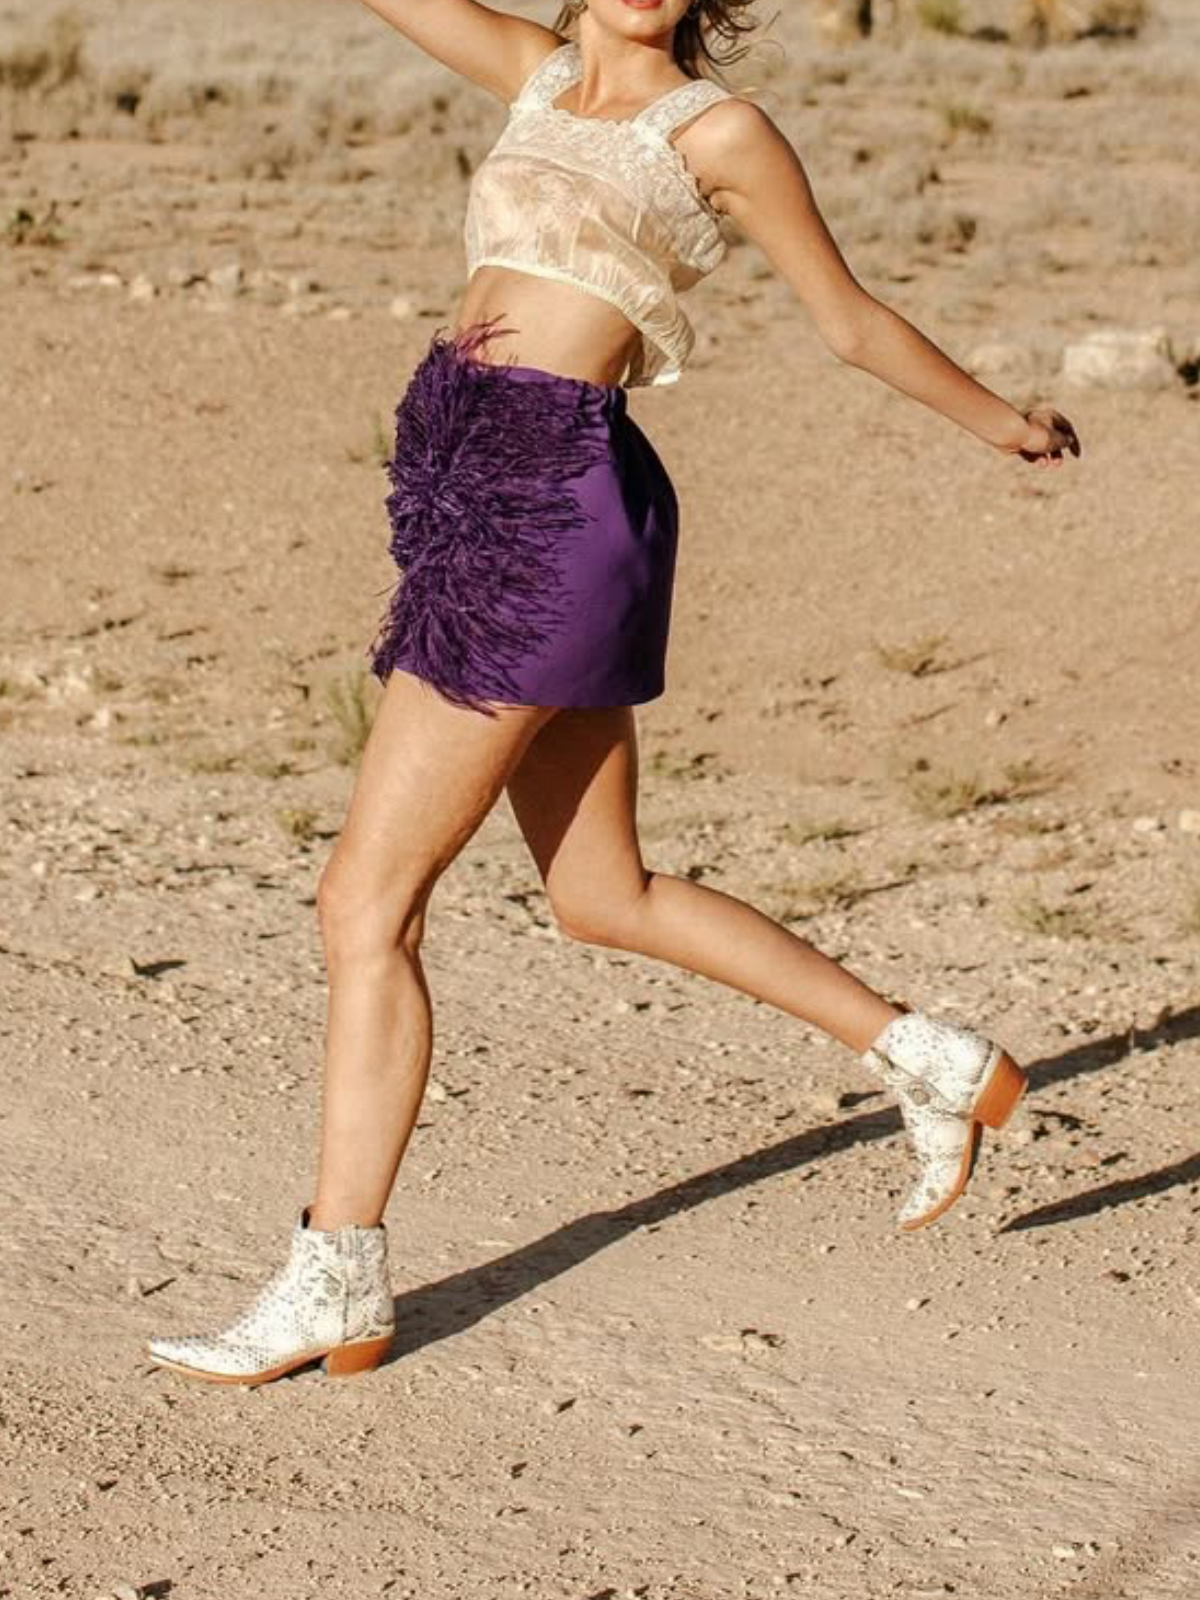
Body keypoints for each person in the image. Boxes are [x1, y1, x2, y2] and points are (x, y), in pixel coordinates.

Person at [147, 0, 1081, 1388]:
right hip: (468, 484)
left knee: (364, 899)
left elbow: (847, 316)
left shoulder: (718, 130)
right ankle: (933, 1057)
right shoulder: (533, 73)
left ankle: (335, 1271)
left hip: (548, 501)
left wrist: (999, 416)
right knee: (604, 896)